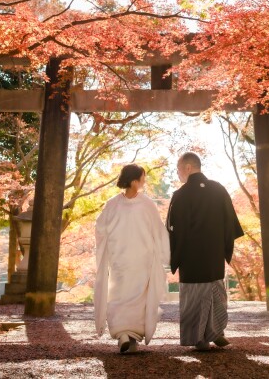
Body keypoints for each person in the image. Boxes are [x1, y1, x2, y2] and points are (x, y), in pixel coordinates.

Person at [167, 152, 244, 351]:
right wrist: (223, 247)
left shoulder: (181, 195)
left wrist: (175, 255)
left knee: (194, 295)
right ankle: (217, 332)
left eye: (178, 169)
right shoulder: (218, 189)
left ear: (188, 168)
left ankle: (199, 338)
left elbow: (174, 229)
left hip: (191, 257)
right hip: (213, 254)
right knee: (215, 291)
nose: (178, 174)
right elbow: (231, 224)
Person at [95, 164, 170, 354]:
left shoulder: (112, 203)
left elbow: (100, 229)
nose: (144, 181)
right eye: (143, 178)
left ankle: (123, 335)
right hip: (141, 259)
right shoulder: (147, 204)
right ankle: (132, 335)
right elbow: (159, 231)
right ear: (135, 180)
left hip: (119, 259)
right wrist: (166, 255)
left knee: (119, 295)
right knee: (138, 297)